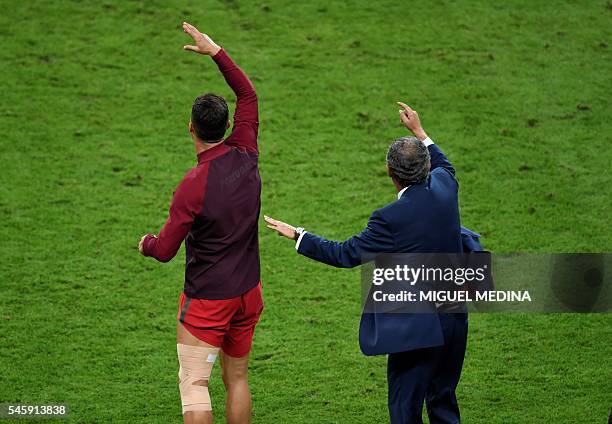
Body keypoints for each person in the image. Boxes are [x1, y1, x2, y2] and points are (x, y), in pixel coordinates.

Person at [265, 103, 469, 424]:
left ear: (389, 172)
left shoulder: (390, 218)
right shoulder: (446, 186)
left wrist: (298, 235)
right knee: (443, 401)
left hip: (417, 326)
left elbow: (344, 254)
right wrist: (419, 132)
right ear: (427, 167)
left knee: (405, 408)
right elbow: (445, 164)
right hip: (455, 316)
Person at [139, 22, 263, 424]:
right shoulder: (246, 149)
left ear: (190, 126)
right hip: (248, 292)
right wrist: (216, 52)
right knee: (238, 377)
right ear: (227, 127)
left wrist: (146, 243)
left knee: (194, 384)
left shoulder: (192, 186)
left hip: (209, 300)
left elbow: (165, 251)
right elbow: (247, 93)